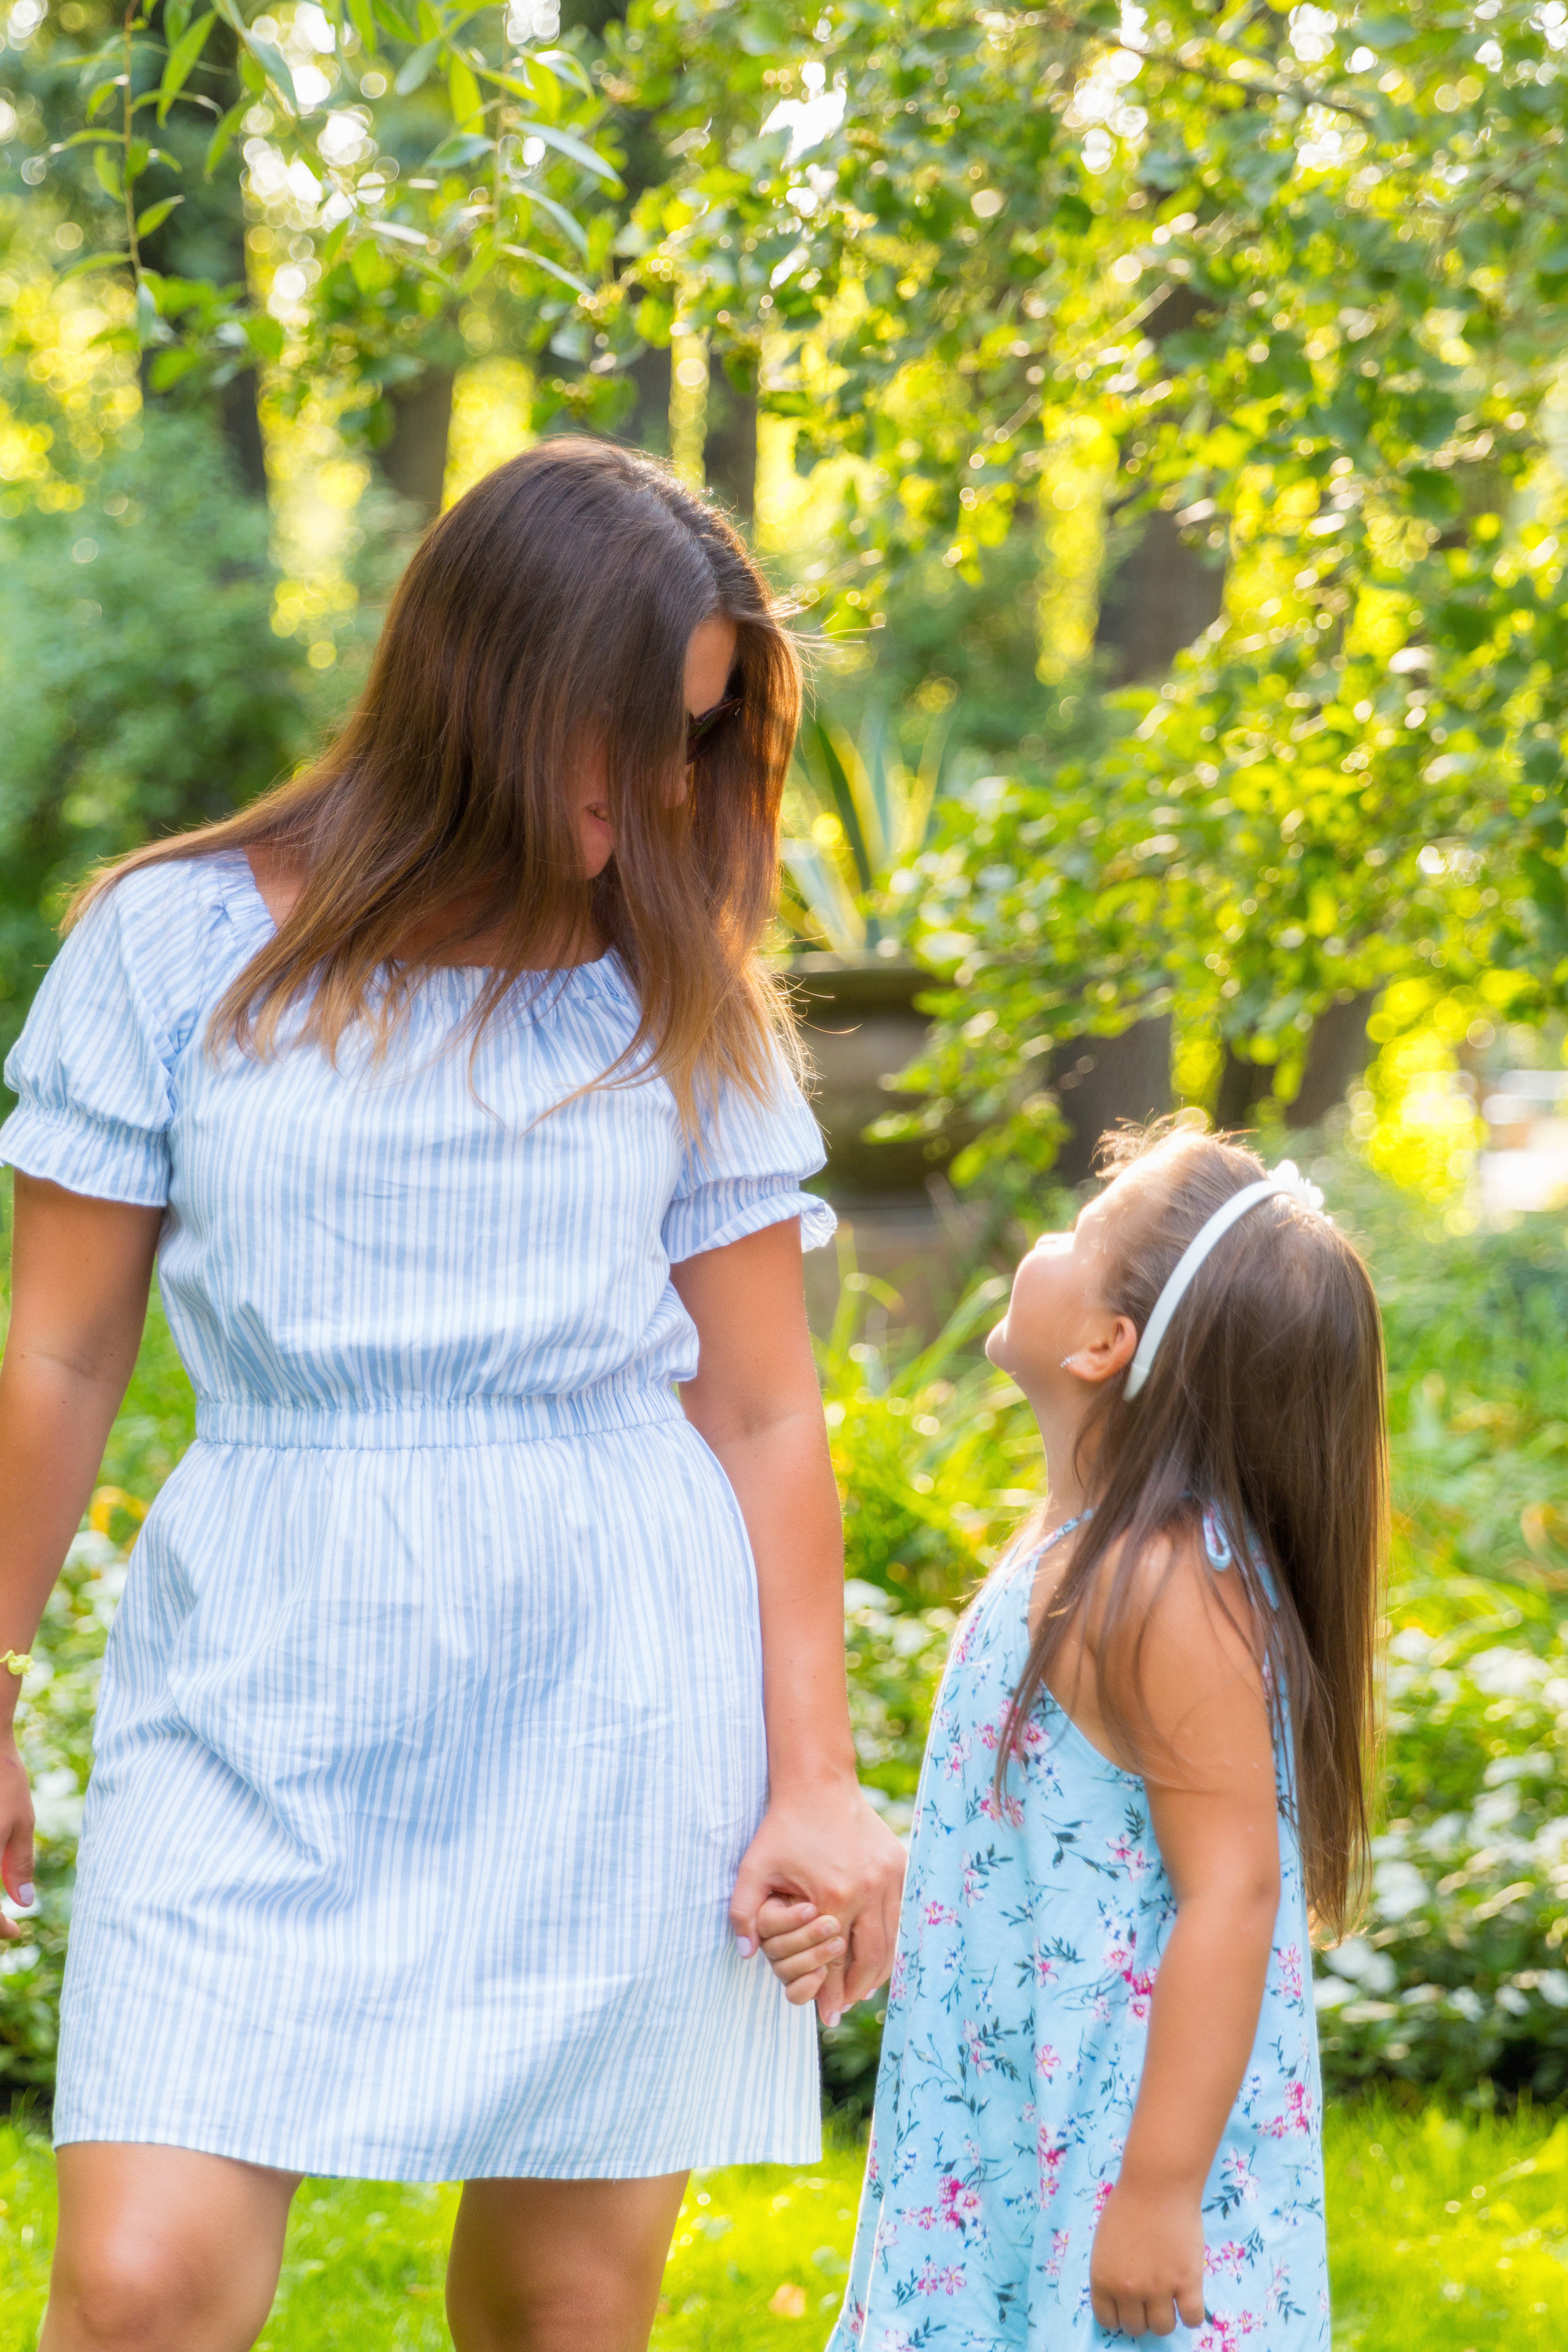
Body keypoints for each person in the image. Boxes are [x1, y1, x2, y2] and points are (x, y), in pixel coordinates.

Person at [0, 439, 903, 2352]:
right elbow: (59, 1352)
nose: (659, 792)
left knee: (568, 2310)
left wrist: (816, 1778)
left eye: (697, 744)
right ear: (490, 687)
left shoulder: (677, 988)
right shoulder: (174, 947)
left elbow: (762, 1413)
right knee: (141, 2285)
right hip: (261, 1671)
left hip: (612, 1682)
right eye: (631, 735)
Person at [760, 1120, 1387, 2348]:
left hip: (1116, 2149)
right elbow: (1056, 1841)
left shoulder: (1154, 1584)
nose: (1048, 1233)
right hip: (1020, 2114)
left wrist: (1154, 2195)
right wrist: (910, 1915)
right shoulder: (1080, 1552)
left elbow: (1232, 1895)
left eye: (1083, 1228)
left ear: (1107, 1346)